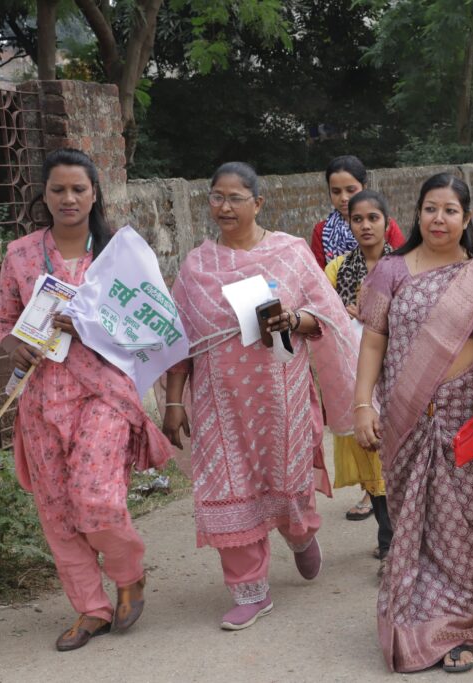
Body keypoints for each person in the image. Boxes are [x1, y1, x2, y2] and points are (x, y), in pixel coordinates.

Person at [164, 162, 359, 630]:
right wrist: (173, 402)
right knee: (226, 485)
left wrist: (293, 318)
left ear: (258, 203)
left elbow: (326, 318)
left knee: (286, 486)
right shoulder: (196, 267)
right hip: (218, 403)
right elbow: (178, 340)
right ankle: (250, 590)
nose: (224, 207)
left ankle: (300, 532)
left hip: (281, 397)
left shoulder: (289, 253)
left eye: (234, 198)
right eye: (216, 197)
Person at [0, 148, 170, 651]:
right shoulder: (21, 254)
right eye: (58, 189)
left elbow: (150, 326)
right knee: (56, 509)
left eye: (78, 189)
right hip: (42, 396)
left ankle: (128, 574)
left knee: (96, 497)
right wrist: (17, 347)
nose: (68, 198)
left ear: (95, 193)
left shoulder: (121, 253)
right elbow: (6, 323)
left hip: (105, 392)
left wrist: (91, 325)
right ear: (44, 195)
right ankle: (90, 609)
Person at [353, 173, 473, 673]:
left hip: (465, 417)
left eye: (450, 210)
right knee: (414, 525)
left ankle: (459, 627)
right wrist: (363, 404)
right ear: (417, 213)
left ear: (466, 218)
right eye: (430, 208)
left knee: (462, 526)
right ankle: (413, 618)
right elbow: (374, 340)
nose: (439, 219)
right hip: (406, 420)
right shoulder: (391, 272)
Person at [308, 154, 403, 520]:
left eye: (352, 190)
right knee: (362, 415)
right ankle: (372, 491)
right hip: (346, 337)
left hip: (386, 338)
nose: (345, 198)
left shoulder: (393, 250)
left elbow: (394, 269)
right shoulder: (324, 233)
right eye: (337, 192)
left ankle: (390, 494)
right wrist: (338, 308)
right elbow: (317, 280)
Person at [324, 189, 395, 574]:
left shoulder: (403, 265)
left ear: (387, 222)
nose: (365, 226)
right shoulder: (336, 270)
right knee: (369, 451)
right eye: (357, 219)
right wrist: (341, 310)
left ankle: (395, 538)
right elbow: (319, 312)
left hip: (398, 372)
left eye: (373, 218)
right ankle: (388, 537)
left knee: (395, 454)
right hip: (355, 373)